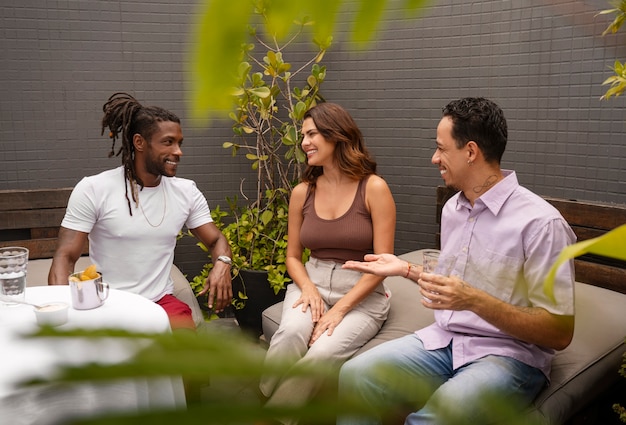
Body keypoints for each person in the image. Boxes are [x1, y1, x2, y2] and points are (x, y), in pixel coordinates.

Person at [338, 97, 577, 424]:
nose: (434, 158)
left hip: (509, 356)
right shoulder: (454, 209)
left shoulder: (540, 225)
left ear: (470, 152)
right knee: (355, 375)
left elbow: (560, 331)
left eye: (441, 148)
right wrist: (405, 268)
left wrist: (473, 300)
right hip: (447, 340)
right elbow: (454, 284)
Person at [258, 102, 396, 424]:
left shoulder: (373, 188)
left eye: (312, 134)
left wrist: (340, 309)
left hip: (362, 291)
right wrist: (307, 288)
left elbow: (383, 263)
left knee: (319, 353)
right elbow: (293, 256)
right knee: (291, 335)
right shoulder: (302, 192)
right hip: (313, 282)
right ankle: (263, 396)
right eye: (302, 135)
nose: (304, 142)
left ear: (336, 136)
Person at [48, 92, 232, 330]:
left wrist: (223, 263)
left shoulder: (186, 192)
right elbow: (65, 256)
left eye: (179, 143)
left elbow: (216, 239)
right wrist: (62, 314)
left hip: (160, 301)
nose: (178, 151)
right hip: (108, 303)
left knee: (190, 356)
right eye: (168, 142)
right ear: (139, 142)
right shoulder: (94, 189)